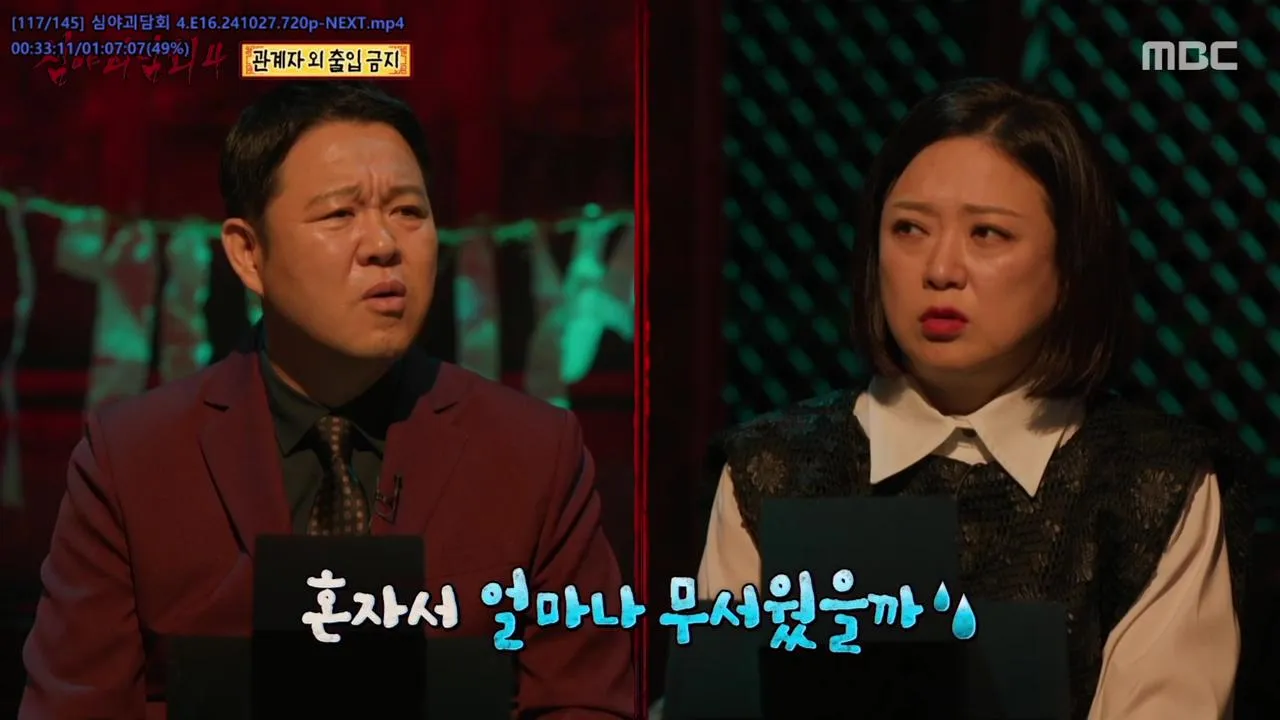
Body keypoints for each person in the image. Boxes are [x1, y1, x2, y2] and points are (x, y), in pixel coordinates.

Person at [20, 81, 634, 719]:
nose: (384, 244)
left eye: (408, 211)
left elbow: (585, 703)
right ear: (248, 253)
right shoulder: (132, 459)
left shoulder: (534, 454)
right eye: (340, 214)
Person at [694, 78, 1256, 719]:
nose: (940, 270)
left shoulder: (1156, 481)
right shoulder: (770, 468)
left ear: (1072, 263)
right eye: (909, 228)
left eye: (987, 234)